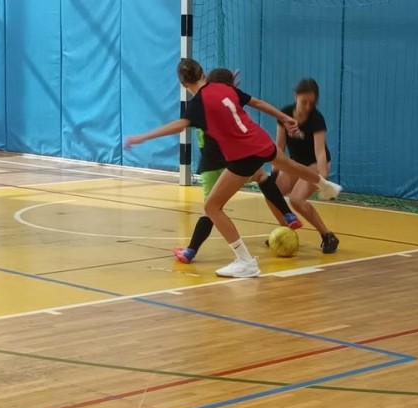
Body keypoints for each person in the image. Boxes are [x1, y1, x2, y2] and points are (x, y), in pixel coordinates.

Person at [126, 58, 342, 278]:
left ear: (183, 84)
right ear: (203, 73)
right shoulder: (224, 88)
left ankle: (245, 261)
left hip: (243, 155)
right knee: (290, 165)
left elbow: (179, 126)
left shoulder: (198, 104)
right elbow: (258, 103)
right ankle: (325, 185)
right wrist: (284, 117)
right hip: (260, 141)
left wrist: (143, 137)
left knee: (212, 207)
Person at [174, 67, 301, 265]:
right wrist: (230, 89)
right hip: (232, 158)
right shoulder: (222, 103)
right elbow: (232, 105)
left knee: (211, 209)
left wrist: (227, 88)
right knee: (262, 176)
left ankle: (190, 251)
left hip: (210, 165)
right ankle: (287, 213)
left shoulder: (200, 105)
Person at [259, 78, 340, 253]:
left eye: (312, 103)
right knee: (271, 194)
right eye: (304, 102)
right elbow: (279, 146)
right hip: (295, 163)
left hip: (315, 164)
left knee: (296, 200)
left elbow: (320, 151)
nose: (307, 106)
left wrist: (323, 179)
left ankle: (327, 235)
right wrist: (275, 172)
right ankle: (285, 231)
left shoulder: (316, 119)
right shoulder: (285, 114)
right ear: (296, 96)